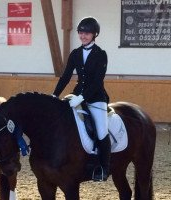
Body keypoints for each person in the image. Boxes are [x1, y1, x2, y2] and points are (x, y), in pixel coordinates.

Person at [52, 17, 111, 181]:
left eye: (87, 33)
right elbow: (65, 77)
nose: (83, 36)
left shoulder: (101, 55)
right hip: (76, 95)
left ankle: (103, 168)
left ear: (94, 35)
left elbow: (98, 82)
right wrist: (54, 95)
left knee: (101, 131)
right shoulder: (75, 53)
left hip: (96, 97)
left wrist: (83, 98)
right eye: (81, 32)